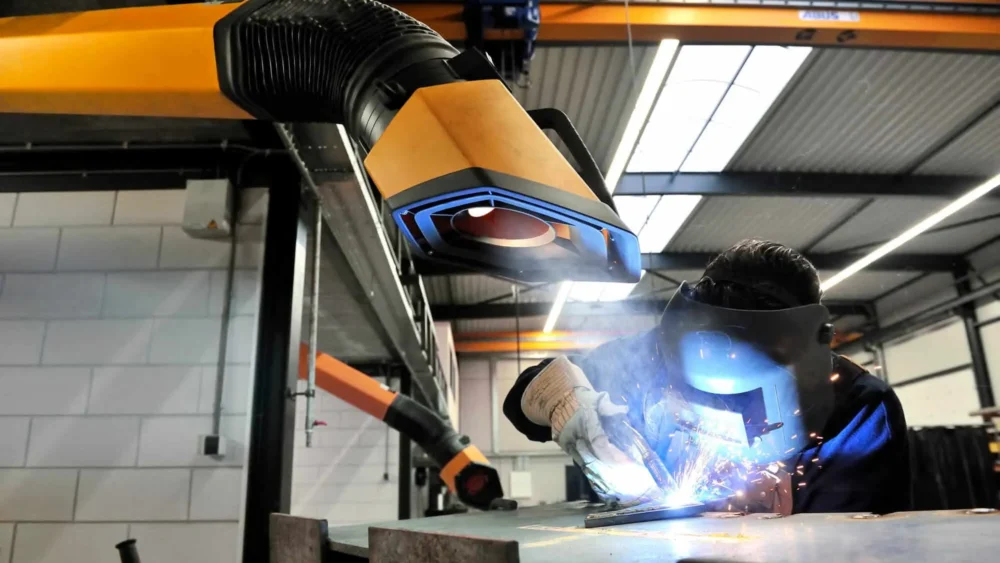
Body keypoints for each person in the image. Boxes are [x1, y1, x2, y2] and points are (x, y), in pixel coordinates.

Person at [503, 239, 910, 515]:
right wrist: (560, 398)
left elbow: (853, 535)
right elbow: (522, 402)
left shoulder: (855, 405)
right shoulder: (650, 354)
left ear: (800, 345)